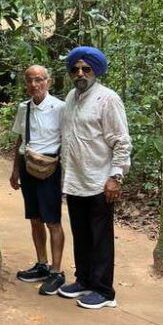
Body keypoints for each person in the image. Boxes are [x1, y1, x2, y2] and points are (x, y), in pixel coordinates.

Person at [58, 46, 132, 310]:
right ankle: (84, 280)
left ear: (95, 71)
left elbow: (122, 141)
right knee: (81, 234)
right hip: (75, 180)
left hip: (100, 181)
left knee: (100, 237)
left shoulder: (107, 99)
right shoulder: (70, 97)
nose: (80, 73)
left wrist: (116, 177)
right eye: (75, 69)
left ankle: (104, 291)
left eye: (86, 69)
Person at [10, 65, 66, 295]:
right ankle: (41, 264)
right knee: (34, 218)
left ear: (48, 81)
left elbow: (69, 140)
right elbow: (20, 140)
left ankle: (56, 271)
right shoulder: (24, 108)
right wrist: (15, 170)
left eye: (39, 80)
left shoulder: (61, 108)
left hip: (50, 168)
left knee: (52, 220)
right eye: (30, 81)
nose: (34, 84)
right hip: (27, 166)